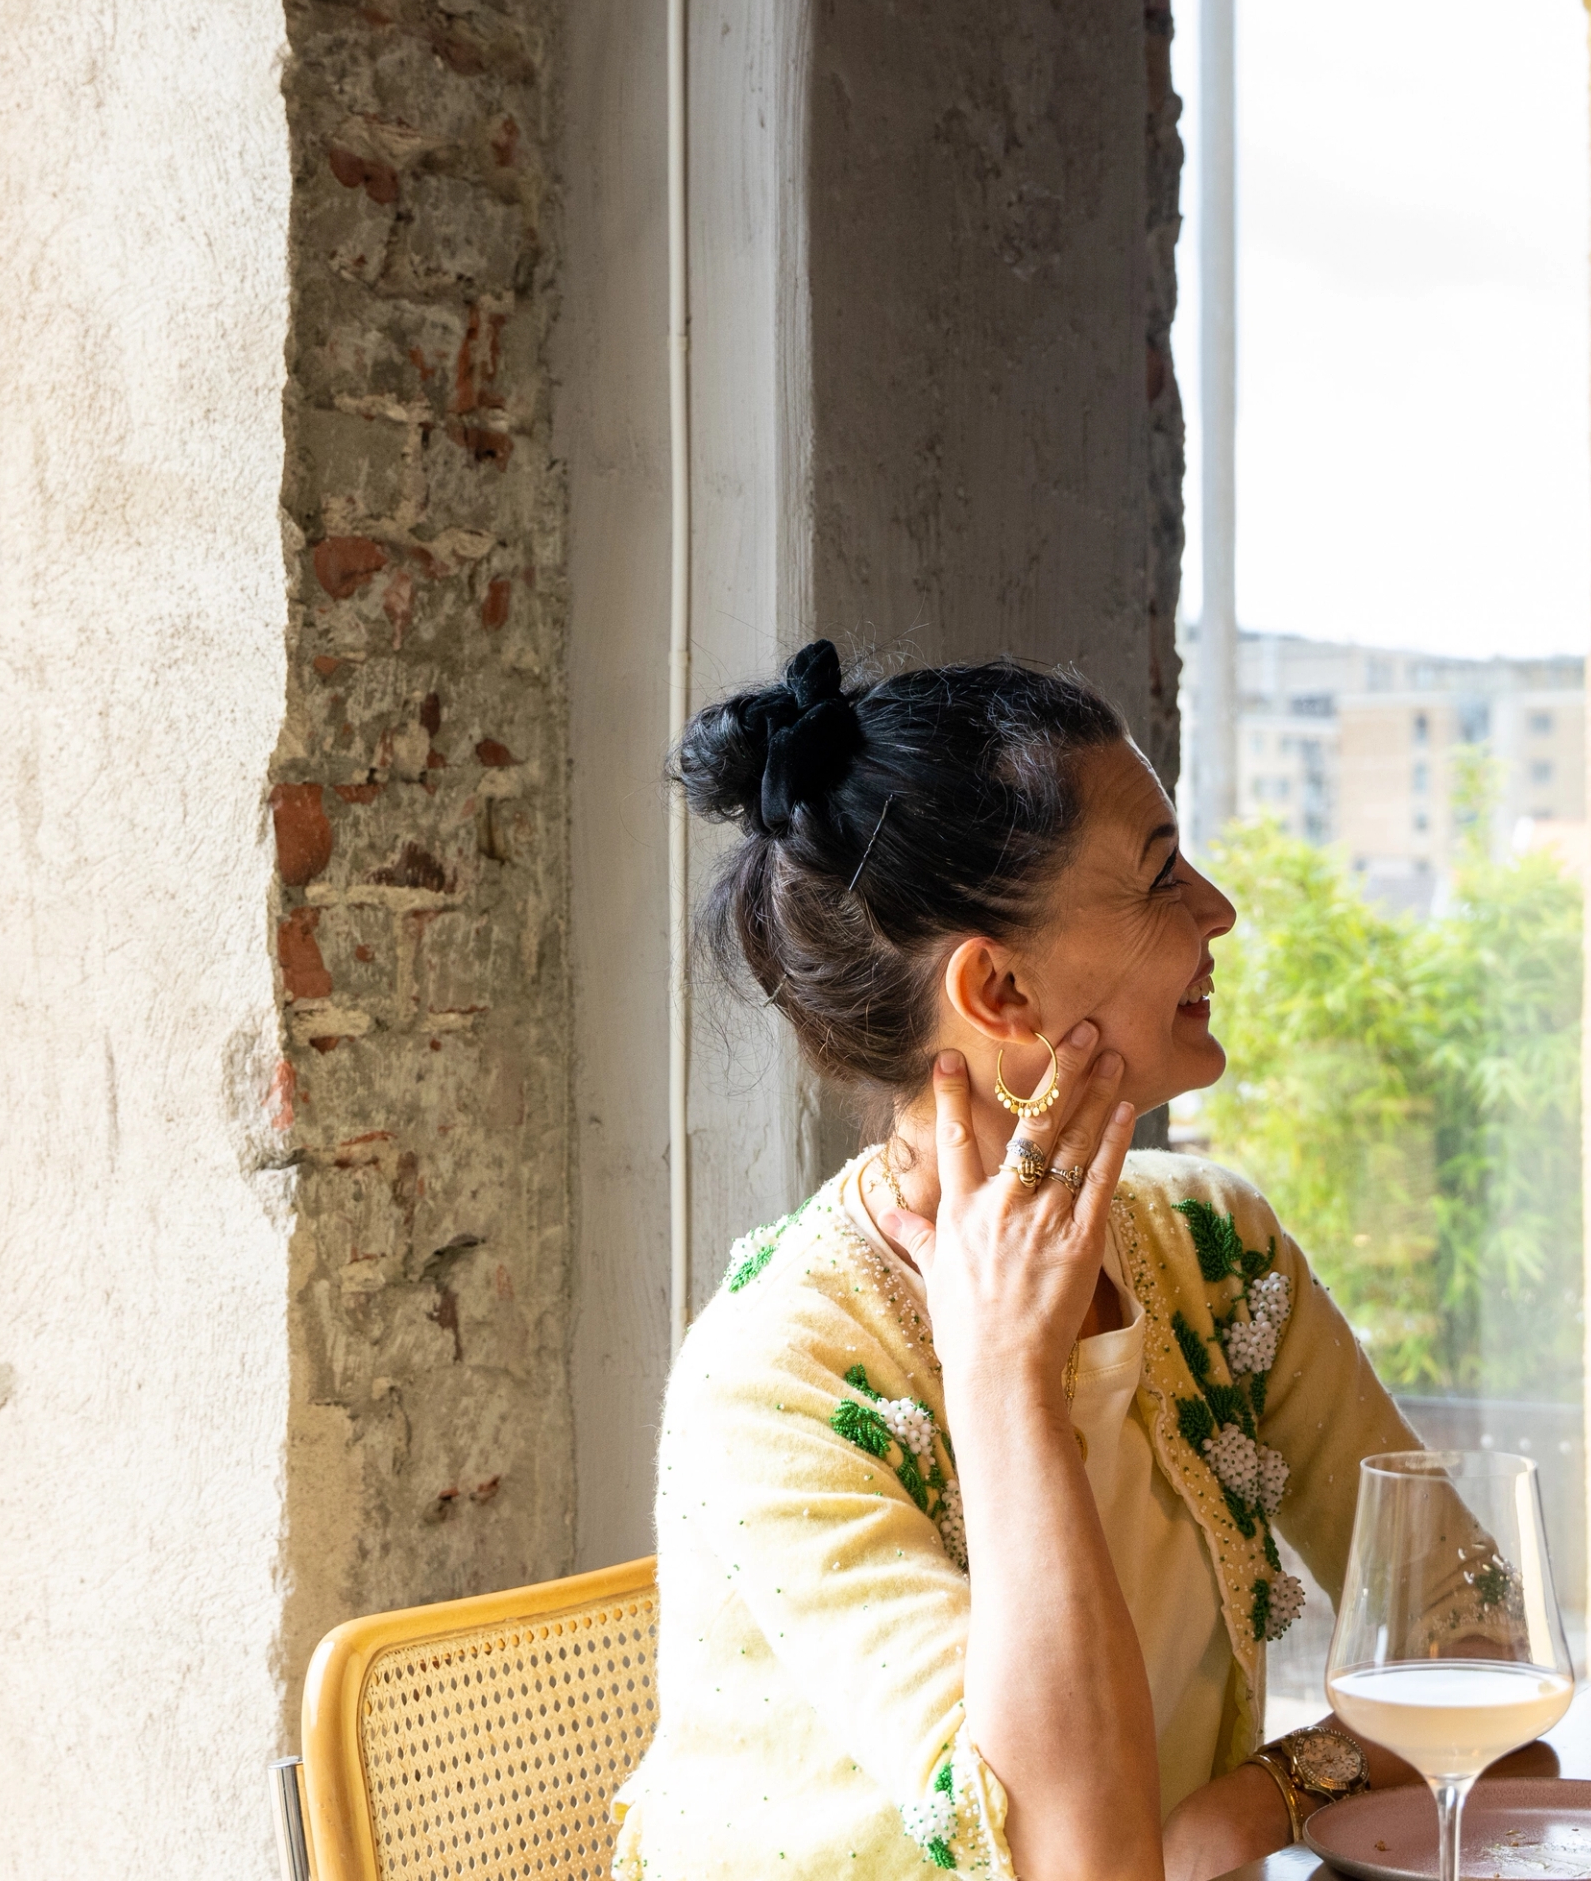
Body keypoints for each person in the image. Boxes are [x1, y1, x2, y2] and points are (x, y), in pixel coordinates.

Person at [612, 645, 1445, 1881]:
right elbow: (1081, 1866)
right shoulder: (779, 1378)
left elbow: (1474, 1643)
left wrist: (1255, 1804)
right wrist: (1003, 1374)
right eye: (1162, 877)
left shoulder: (1217, 1249)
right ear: (997, 988)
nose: (1219, 909)